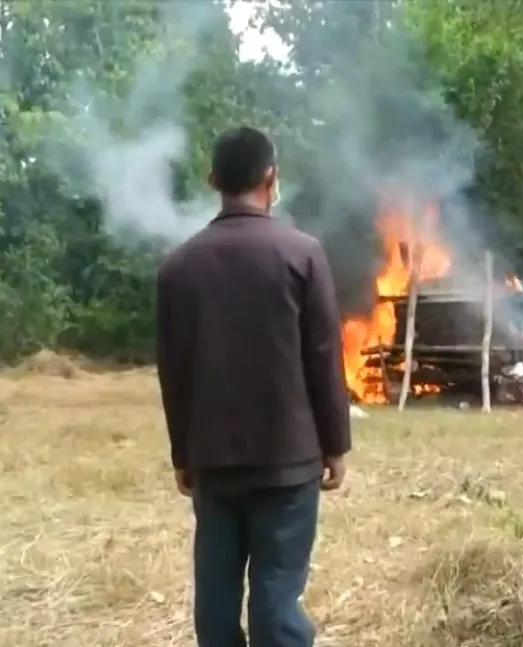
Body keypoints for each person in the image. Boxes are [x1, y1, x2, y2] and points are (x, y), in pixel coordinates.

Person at [156, 125, 351, 647]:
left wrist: (183, 455)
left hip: (213, 463)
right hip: (289, 461)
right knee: (276, 595)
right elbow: (324, 357)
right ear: (272, 178)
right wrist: (335, 444)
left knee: (215, 596)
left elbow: (173, 370)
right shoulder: (303, 254)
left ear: (213, 180)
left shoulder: (178, 267)